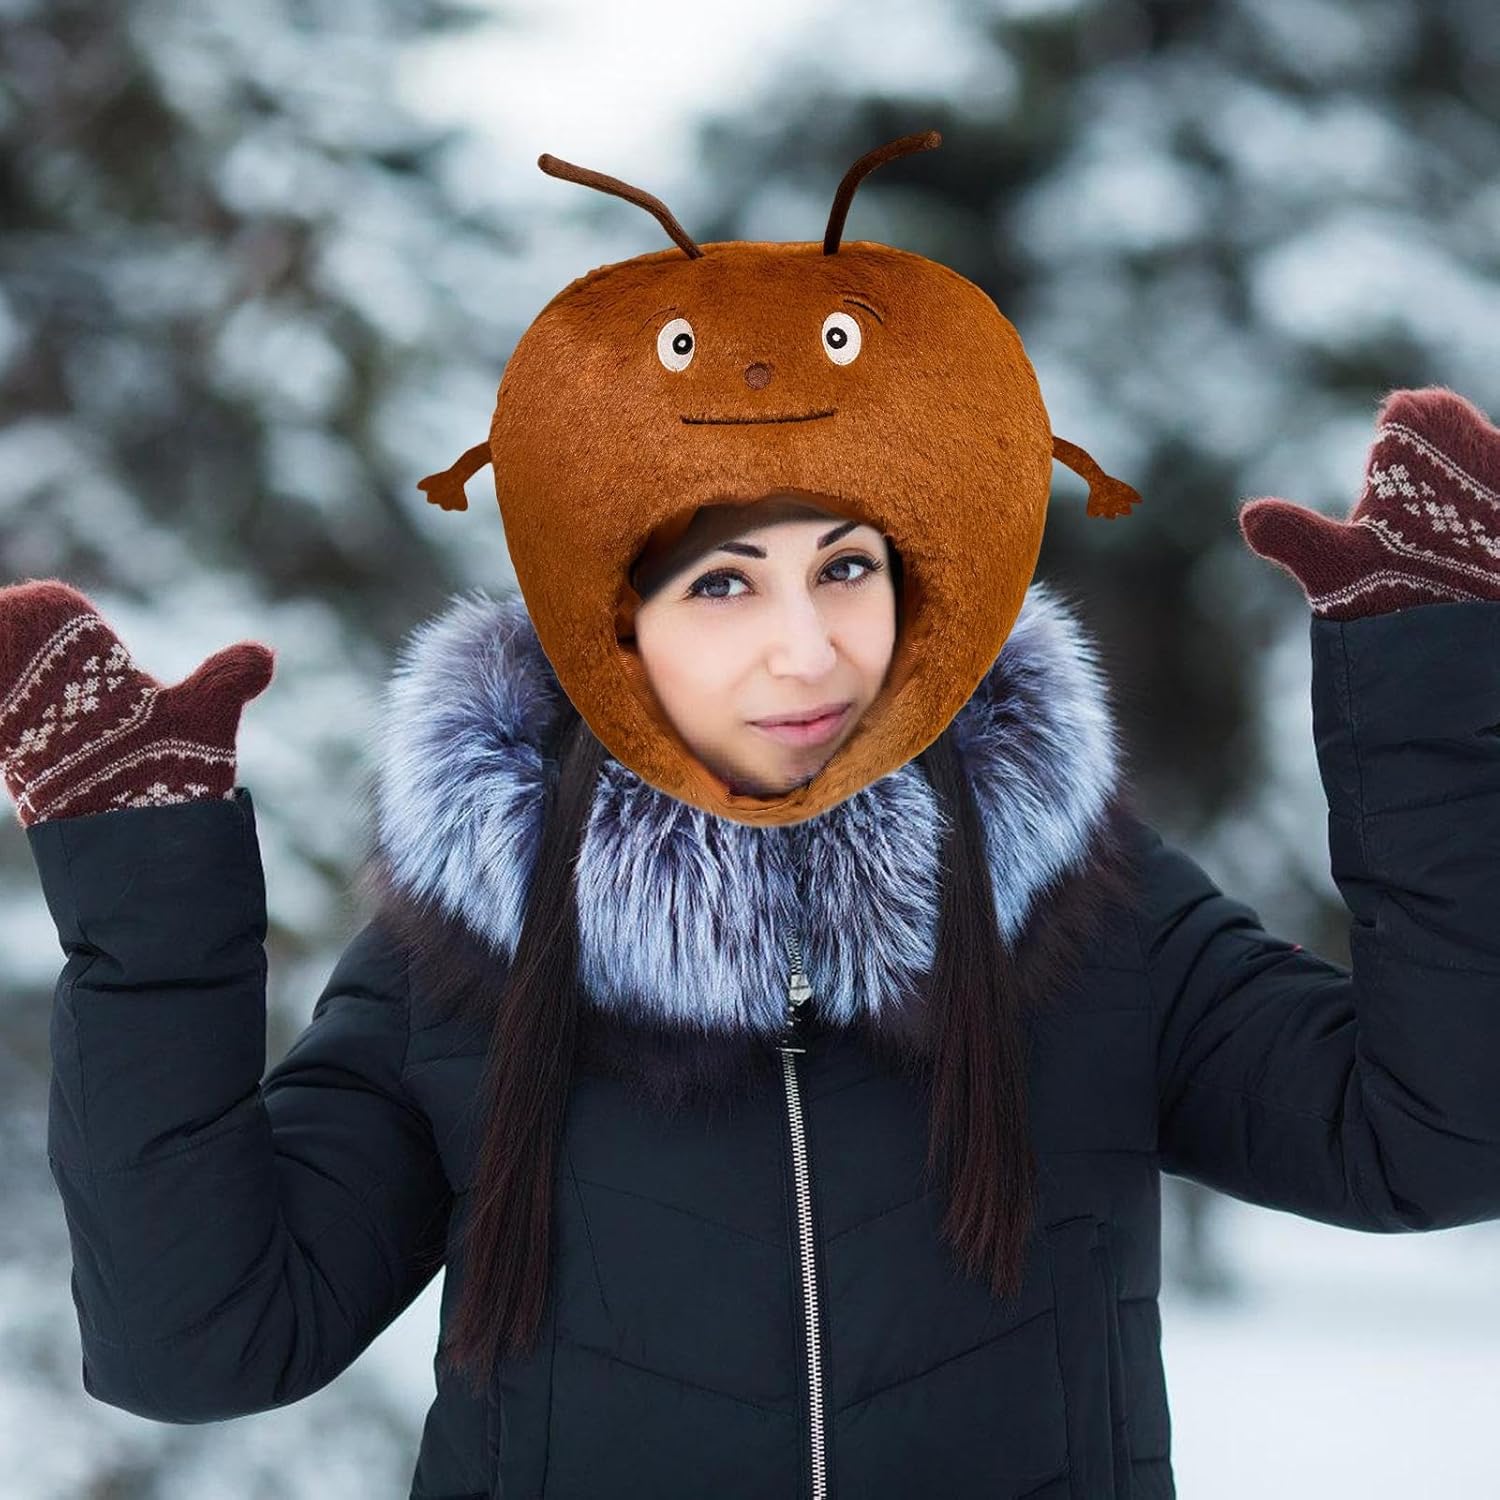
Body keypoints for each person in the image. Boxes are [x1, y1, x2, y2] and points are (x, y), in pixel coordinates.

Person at [6, 383, 1500, 1500]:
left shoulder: (1085, 905)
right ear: (613, 626)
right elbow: (203, 1345)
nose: (807, 646)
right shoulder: (471, 955)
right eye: (723, 582)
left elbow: (1435, 1141)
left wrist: (1433, 690)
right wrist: (147, 902)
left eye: (846, 568)